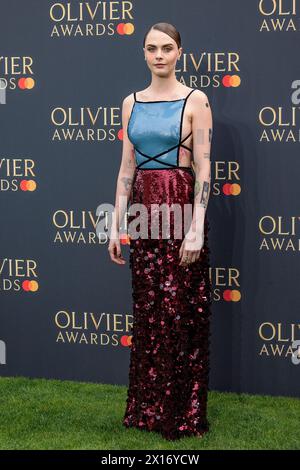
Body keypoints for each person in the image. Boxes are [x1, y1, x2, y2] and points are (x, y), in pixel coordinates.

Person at [108, 22, 213, 441]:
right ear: (144, 53)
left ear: (180, 52)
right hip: (143, 212)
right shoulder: (130, 103)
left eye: (167, 48)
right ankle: (148, 409)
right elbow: (125, 170)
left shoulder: (196, 100)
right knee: (150, 310)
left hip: (180, 206)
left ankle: (183, 413)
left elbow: (205, 168)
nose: (159, 56)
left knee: (181, 310)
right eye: (151, 48)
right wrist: (117, 227)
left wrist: (197, 227)